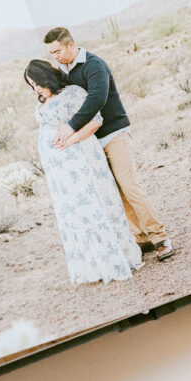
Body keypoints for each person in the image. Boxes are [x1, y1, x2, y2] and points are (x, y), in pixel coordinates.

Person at [44, 27, 175, 261]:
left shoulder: (94, 65)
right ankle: (141, 239)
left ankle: (160, 238)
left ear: (71, 45)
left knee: (129, 185)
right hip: (90, 139)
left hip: (114, 132)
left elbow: (97, 97)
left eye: (57, 51)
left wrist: (71, 126)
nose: (55, 56)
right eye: (51, 53)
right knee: (115, 191)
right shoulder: (63, 71)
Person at [24, 60, 143, 285]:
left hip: (82, 157)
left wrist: (72, 140)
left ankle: (116, 258)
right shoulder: (42, 103)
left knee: (97, 205)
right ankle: (94, 263)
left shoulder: (72, 93)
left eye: (37, 83)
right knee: (75, 212)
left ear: (46, 76)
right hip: (60, 171)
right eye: (31, 85)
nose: (36, 89)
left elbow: (95, 121)